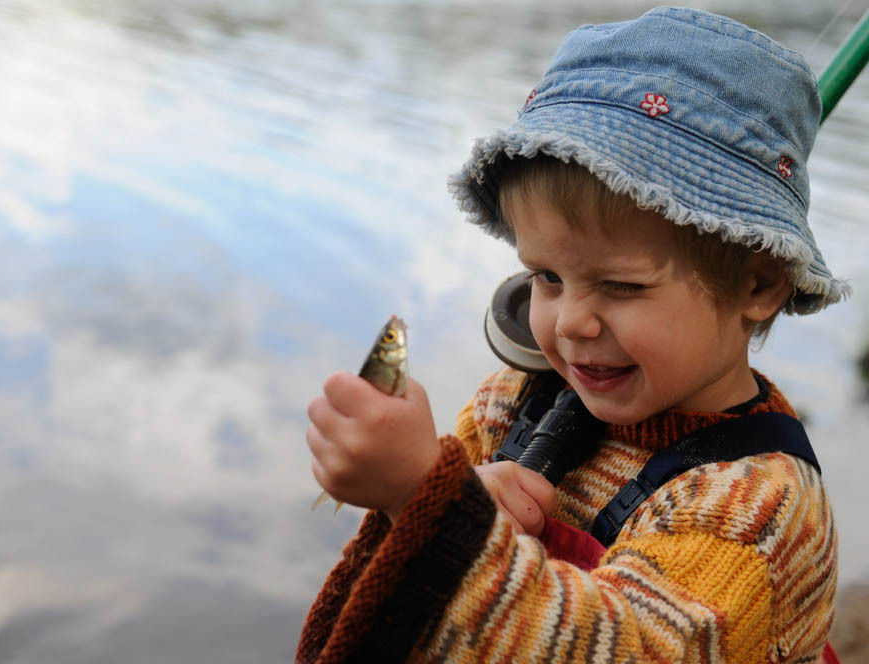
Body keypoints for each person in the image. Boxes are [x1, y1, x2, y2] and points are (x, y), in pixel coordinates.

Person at [299, 7, 847, 663]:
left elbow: (625, 649)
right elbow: (399, 609)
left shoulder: (760, 506)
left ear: (758, 287)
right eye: (547, 276)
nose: (569, 322)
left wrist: (429, 504)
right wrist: (428, 507)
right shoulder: (511, 402)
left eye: (620, 286)